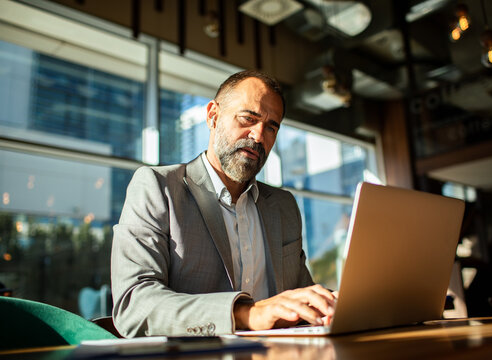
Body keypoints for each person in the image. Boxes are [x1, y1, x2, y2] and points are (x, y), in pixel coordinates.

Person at [111, 70, 336, 337]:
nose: (258, 135)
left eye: (271, 127)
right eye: (248, 118)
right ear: (212, 116)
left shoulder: (283, 205)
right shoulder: (158, 187)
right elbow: (134, 304)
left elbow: (301, 297)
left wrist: (331, 304)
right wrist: (246, 314)